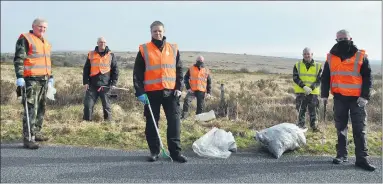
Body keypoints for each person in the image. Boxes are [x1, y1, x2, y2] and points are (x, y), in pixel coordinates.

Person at [321, 29, 375, 171]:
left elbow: (368, 77)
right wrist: (324, 95)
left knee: (359, 129)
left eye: (344, 38)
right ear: (336, 40)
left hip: (357, 100)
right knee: (341, 128)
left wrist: (365, 96)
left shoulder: (360, 56)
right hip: (339, 98)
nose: (342, 40)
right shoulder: (331, 57)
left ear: (350, 38)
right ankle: (341, 155)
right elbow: (325, 77)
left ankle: (361, 159)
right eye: (339, 39)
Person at [133, 20, 187, 163]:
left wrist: (178, 88)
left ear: (164, 32)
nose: (157, 33)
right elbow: (137, 73)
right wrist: (139, 91)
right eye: (155, 31)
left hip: (171, 93)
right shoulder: (144, 49)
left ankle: (175, 153)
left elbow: (180, 70)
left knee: (175, 122)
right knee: (152, 123)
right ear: (151, 32)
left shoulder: (173, 48)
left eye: (160, 31)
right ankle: (154, 151)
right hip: (151, 93)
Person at [13, 18, 53, 149]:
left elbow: (46, 61)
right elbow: (19, 59)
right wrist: (20, 77)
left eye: (45, 28)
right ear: (33, 26)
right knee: (31, 108)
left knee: (41, 107)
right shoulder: (25, 38)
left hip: (44, 79)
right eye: (40, 27)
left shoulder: (45, 42)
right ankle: (28, 138)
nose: (42, 29)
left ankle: (36, 132)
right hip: (31, 80)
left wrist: (50, 76)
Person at [82, 37, 119, 122]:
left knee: (107, 106)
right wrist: (85, 82)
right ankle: (87, 122)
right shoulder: (91, 54)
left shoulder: (111, 55)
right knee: (88, 105)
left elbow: (115, 70)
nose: (103, 44)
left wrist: (114, 83)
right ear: (97, 43)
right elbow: (86, 69)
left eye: (104, 42)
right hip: (92, 84)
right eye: (101, 42)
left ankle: (108, 123)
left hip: (105, 85)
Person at [292, 47, 322, 132]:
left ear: (312, 54)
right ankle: (301, 128)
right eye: (305, 54)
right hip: (301, 92)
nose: (306, 55)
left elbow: (319, 79)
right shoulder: (297, 65)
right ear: (302, 55)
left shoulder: (318, 66)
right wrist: (304, 87)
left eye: (308, 54)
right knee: (300, 110)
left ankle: (315, 128)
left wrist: (311, 88)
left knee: (314, 111)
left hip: (313, 93)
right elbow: (295, 77)